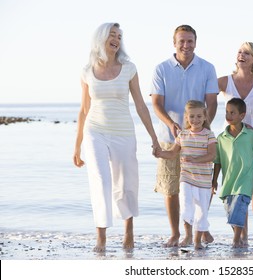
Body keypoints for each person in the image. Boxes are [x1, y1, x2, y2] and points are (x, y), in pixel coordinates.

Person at [73, 22, 160, 253]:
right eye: (112, 35)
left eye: (119, 36)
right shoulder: (86, 71)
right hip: (95, 130)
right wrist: (77, 145)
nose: (116, 39)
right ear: (100, 38)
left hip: (123, 132)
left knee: (125, 182)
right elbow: (83, 110)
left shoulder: (129, 68)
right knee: (100, 181)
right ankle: (101, 236)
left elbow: (141, 105)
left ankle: (128, 229)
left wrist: (154, 137)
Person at [151, 24, 219, 247]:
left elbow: (212, 101)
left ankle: (200, 229)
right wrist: (171, 123)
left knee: (200, 187)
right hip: (170, 137)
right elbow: (156, 103)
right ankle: (176, 233)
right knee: (171, 188)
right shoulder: (161, 69)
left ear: (195, 42)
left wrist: (203, 129)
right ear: (174, 43)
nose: (186, 45)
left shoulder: (207, 68)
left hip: (199, 137)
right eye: (182, 41)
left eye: (190, 41)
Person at [218, 42, 253, 246]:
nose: (242, 55)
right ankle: (241, 235)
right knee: (234, 189)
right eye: (240, 51)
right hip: (230, 144)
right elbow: (204, 98)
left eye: (247, 53)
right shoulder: (224, 82)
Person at [155, 100, 217, 250]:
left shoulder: (209, 135)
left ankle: (197, 241)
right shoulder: (182, 135)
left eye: (198, 116)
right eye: (192, 117)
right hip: (186, 178)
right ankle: (187, 235)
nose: (195, 120)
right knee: (185, 205)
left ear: (204, 117)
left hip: (203, 180)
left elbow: (212, 155)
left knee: (202, 211)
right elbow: (172, 153)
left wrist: (196, 159)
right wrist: (159, 153)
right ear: (186, 117)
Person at [212, 98, 253, 248]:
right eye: (227, 112)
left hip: (245, 179)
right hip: (229, 181)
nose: (228, 115)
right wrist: (214, 180)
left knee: (239, 208)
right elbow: (218, 162)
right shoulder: (221, 138)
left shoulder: (251, 135)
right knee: (230, 211)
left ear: (242, 115)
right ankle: (240, 239)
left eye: (232, 113)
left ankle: (236, 240)